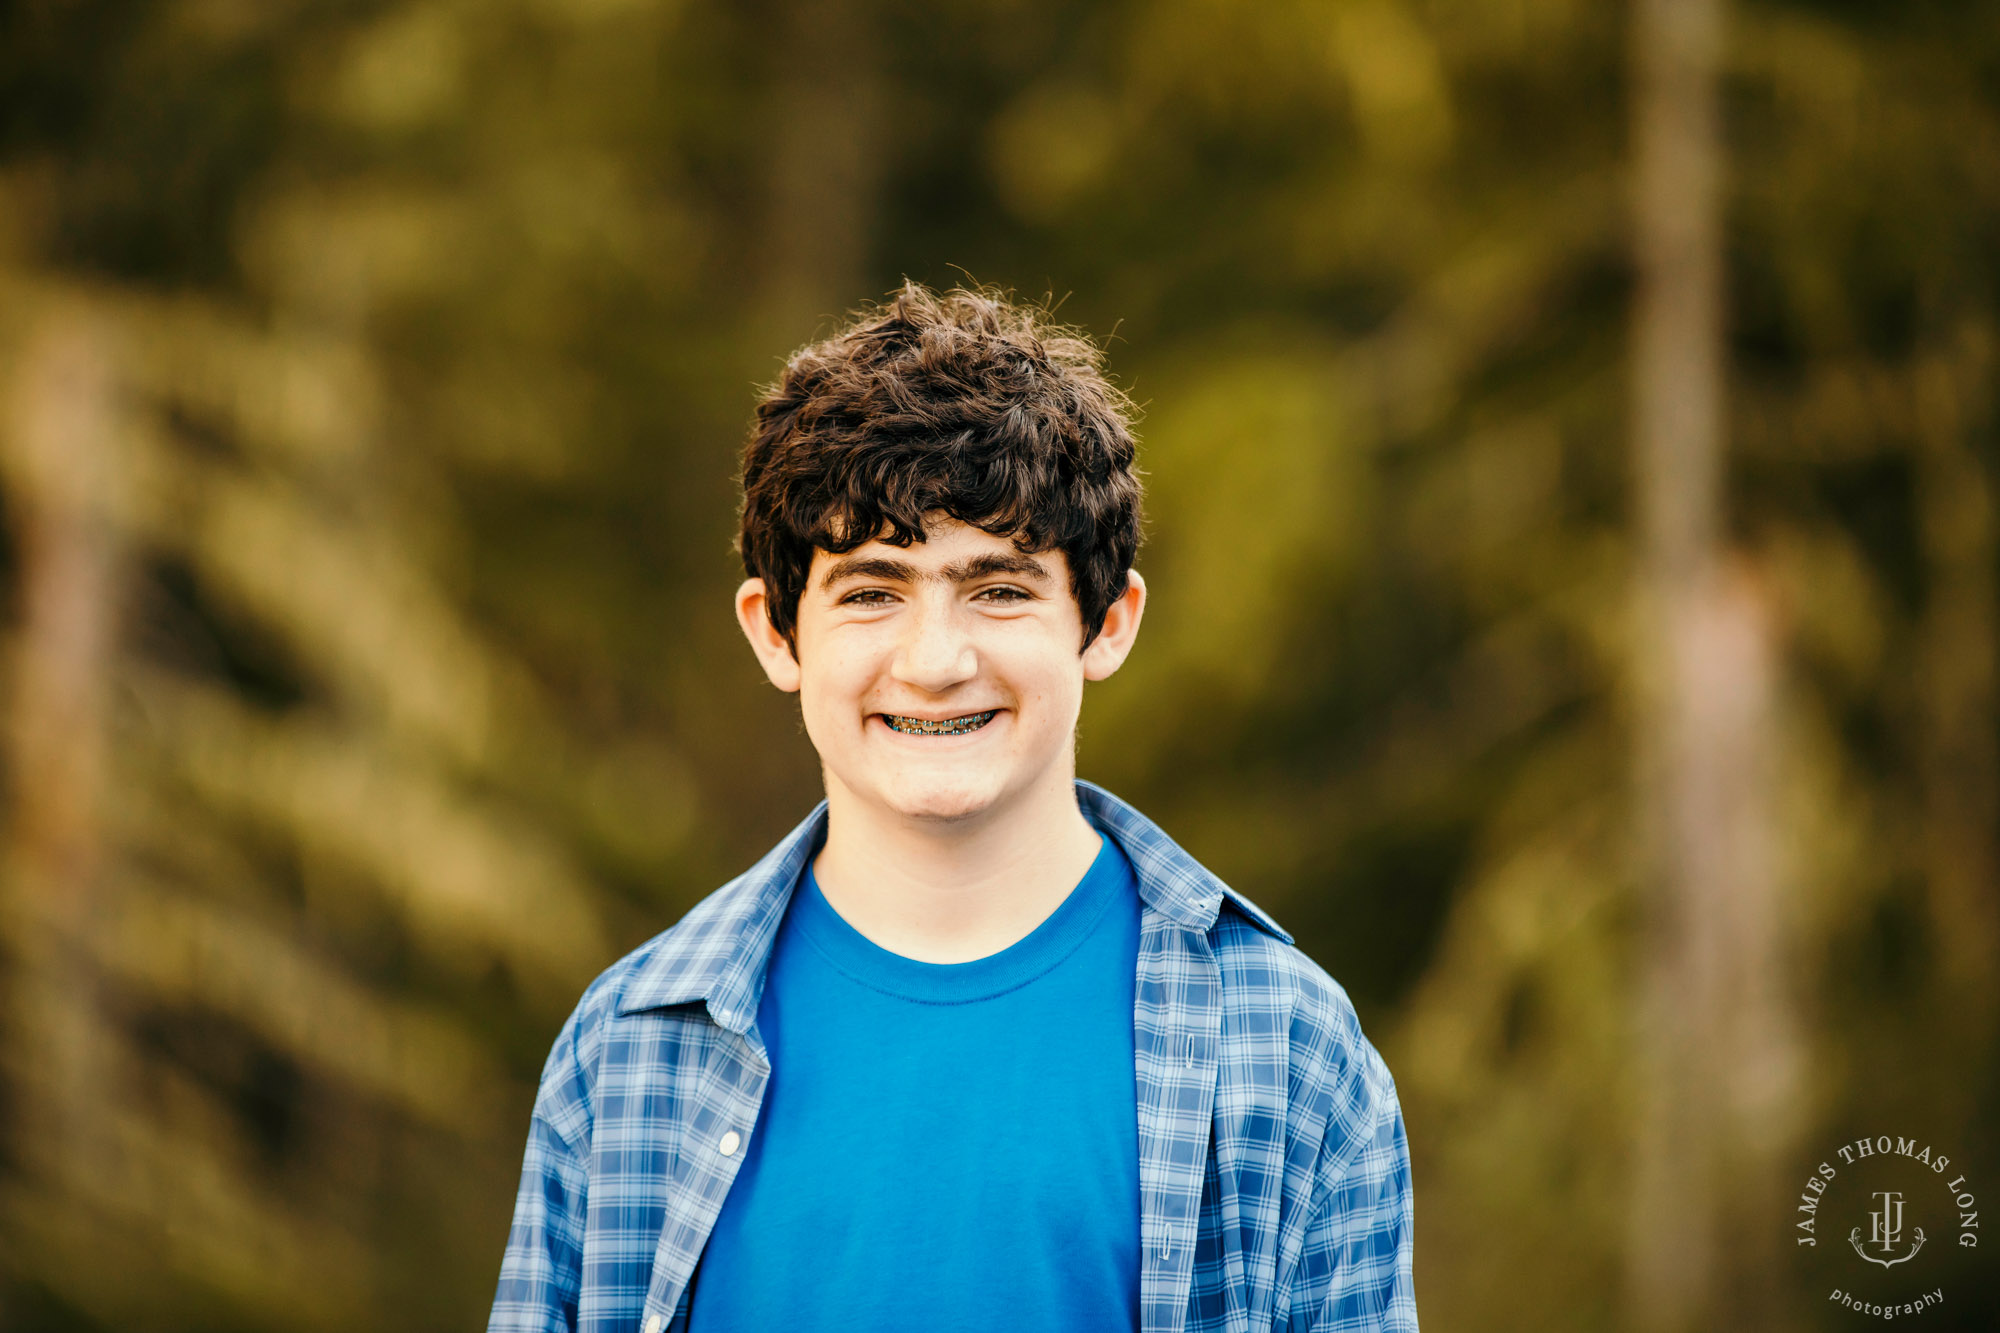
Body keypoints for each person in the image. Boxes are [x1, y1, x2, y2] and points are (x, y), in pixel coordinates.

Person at [488, 282, 1418, 1333]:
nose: (935, 661)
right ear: (774, 633)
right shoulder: (627, 1052)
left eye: (1000, 588)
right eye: (872, 589)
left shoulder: (1288, 1051)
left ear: (1107, 622)